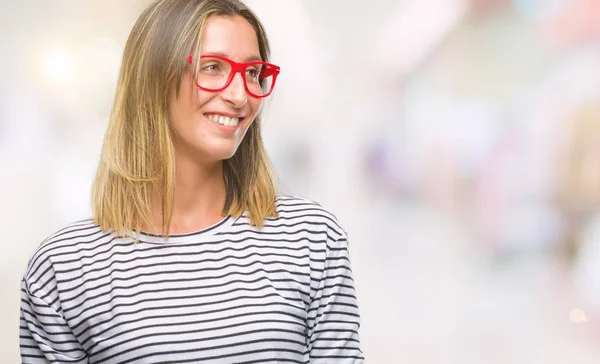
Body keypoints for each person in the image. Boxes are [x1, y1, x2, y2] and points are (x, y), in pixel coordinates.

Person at [19, 0, 365, 363]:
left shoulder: (311, 237)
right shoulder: (64, 268)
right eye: (213, 67)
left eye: (252, 72)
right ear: (152, 76)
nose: (240, 96)